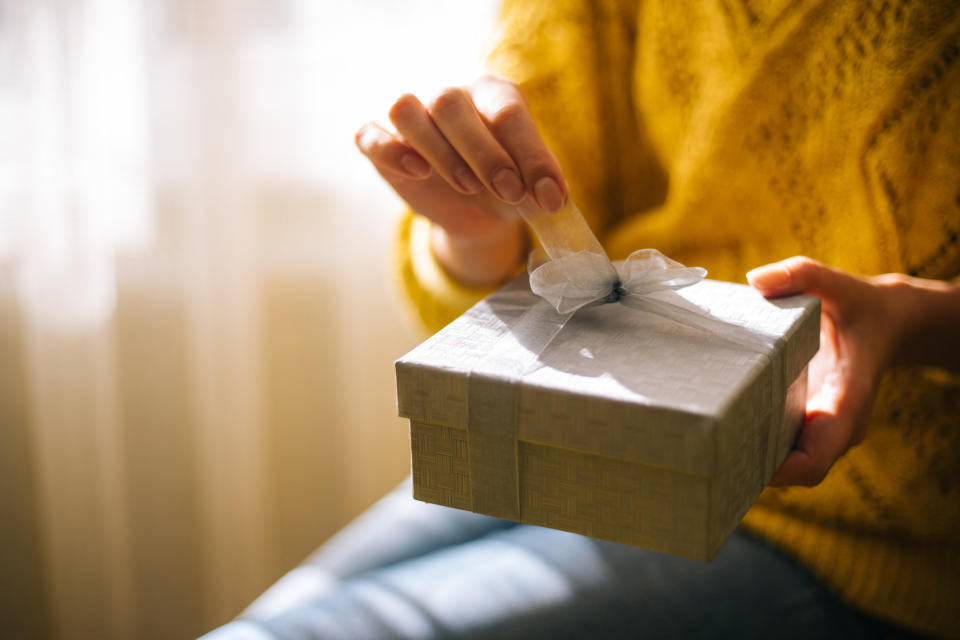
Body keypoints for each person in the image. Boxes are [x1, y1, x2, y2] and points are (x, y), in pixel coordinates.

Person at [206, 1, 960, 638]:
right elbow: (515, 272)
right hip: (581, 435)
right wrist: (474, 234)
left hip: (862, 534)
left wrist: (907, 319)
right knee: (279, 620)